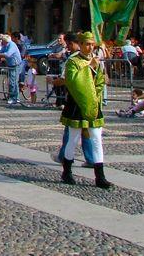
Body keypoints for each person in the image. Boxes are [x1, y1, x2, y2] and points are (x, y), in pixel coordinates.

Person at [58, 32, 112, 189]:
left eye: (92, 44)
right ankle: (67, 171)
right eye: (87, 44)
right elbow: (72, 80)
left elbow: (101, 80)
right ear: (81, 45)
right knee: (73, 139)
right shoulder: (73, 61)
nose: (90, 47)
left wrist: (96, 93)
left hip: (93, 104)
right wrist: (89, 68)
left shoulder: (96, 60)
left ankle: (100, 176)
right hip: (77, 104)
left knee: (96, 139)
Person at [0, 34, 23, 105]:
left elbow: (8, 54)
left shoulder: (12, 45)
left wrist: (0, 55)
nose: (1, 41)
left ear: (5, 41)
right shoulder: (5, 45)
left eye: (2, 40)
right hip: (11, 65)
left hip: (15, 65)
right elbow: (1, 51)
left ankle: (13, 98)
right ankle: (16, 98)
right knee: (14, 82)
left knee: (12, 82)